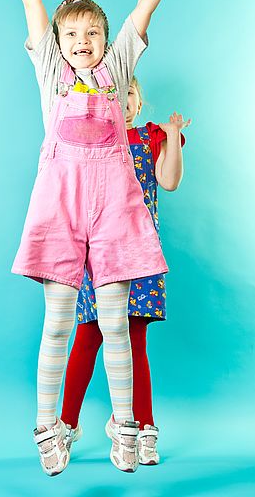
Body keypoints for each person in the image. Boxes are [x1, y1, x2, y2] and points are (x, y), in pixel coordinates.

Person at [0, 0, 197, 476]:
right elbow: (32, 5)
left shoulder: (118, 67)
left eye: (91, 33)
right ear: (57, 42)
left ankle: (126, 425)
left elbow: (144, 7)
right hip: (61, 207)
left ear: (105, 40)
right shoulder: (51, 75)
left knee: (116, 320)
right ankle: (48, 427)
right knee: (57, 322)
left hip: (117, 208)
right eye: (71, 34)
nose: (82, 41)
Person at [61, 77, 190, 466]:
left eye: (129, 92)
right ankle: (66, 424)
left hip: (140, 256)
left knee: (134, 339)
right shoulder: (92, 141)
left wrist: (170, 137)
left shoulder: (149, 139)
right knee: (87, 335)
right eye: (113, 93)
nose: (123, 100)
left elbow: (169, 181)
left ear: (139, 100)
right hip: (98, 256)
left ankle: (139, 425)